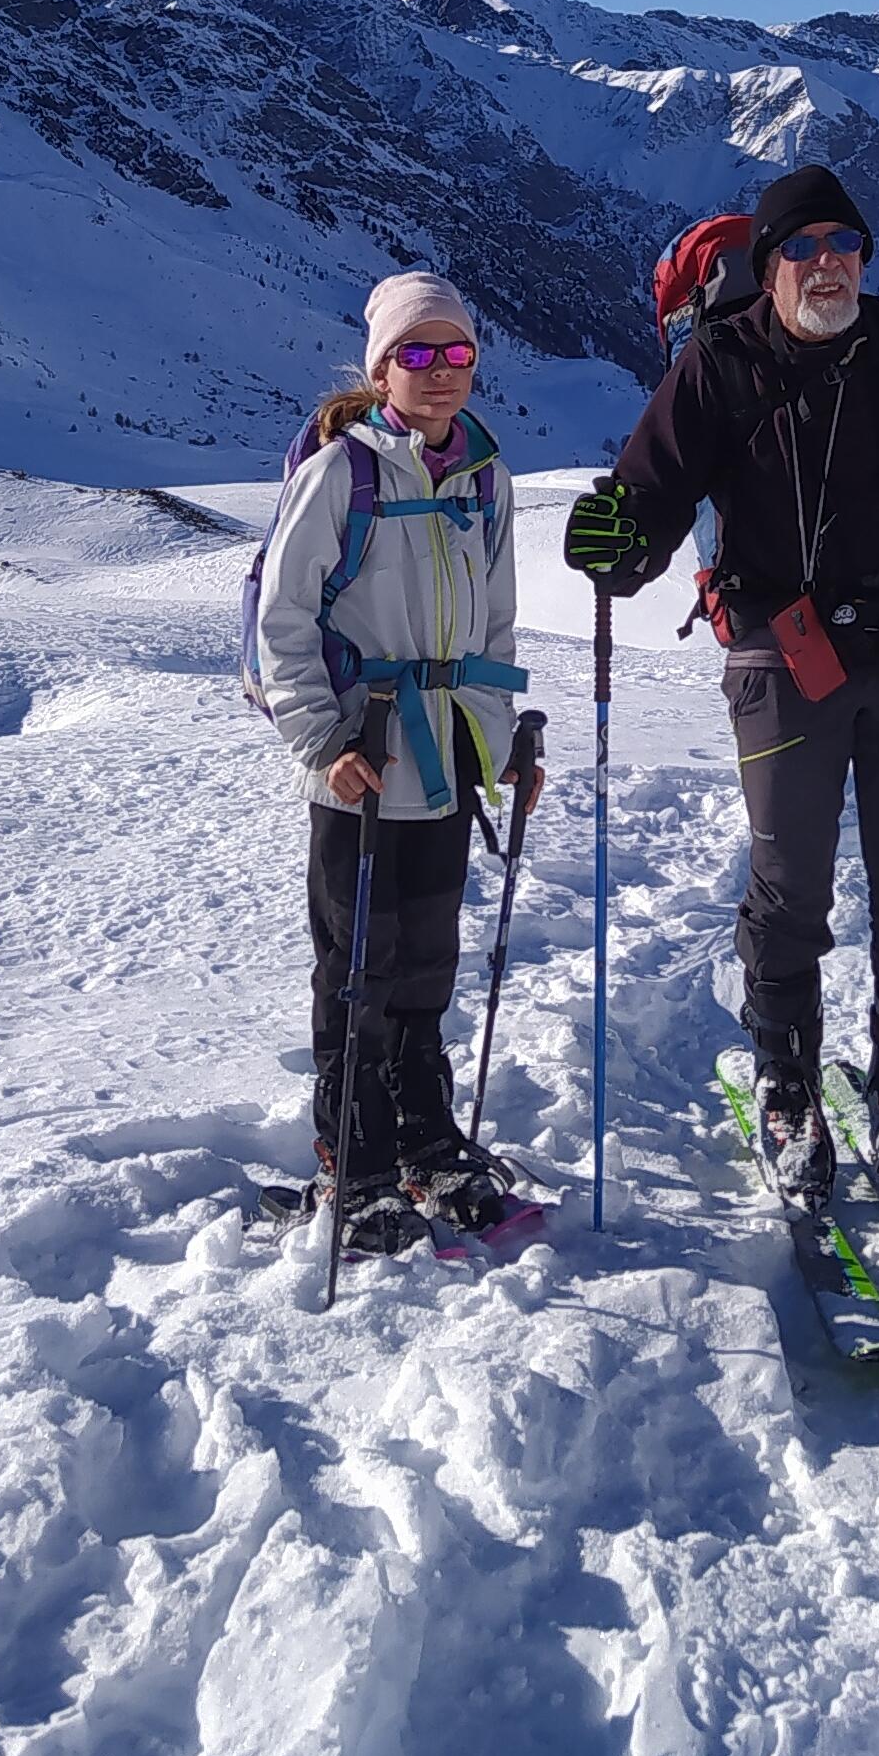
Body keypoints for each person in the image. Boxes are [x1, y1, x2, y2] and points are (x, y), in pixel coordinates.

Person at [563, 166, 879, 1216]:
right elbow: (653, 488)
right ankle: (785, 1080)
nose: (827, 264)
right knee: (788, 885)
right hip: (781, 652)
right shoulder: (720, 361)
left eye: (843, 244)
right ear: (766, 267)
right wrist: (620, 544)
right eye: (803, 248)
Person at [250, 271, 536, 1254]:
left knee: (424, 968)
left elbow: (495, 624)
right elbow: (282, 621)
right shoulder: (343, 473)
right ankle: (354, 1162)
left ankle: (424, 1143)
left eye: (457, 351)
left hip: (443, 757)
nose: (441, 369)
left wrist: (496, 745)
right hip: (360, 761)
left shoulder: (485, 477)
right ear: (381, 371)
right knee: (356, 974)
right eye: (417, 353)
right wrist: (321, 744)